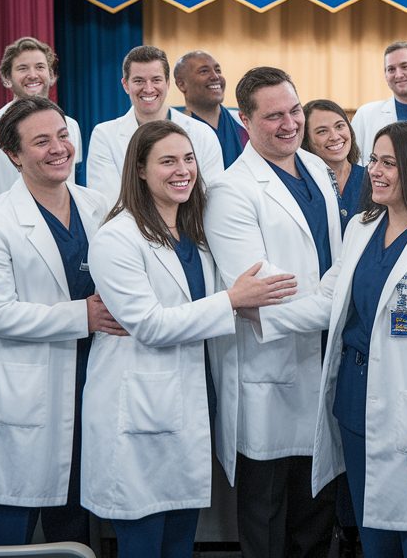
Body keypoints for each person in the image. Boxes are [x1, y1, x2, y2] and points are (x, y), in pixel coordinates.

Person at [251, 121, 407, 556]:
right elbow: (329, 301)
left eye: (389, 163)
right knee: (374, 534)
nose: (374, 170)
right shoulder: (362, 226)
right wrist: (258, 315)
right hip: (355, 404)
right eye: (374, 159)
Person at [82, 120, 296, 558]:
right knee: (142, 542)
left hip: (187, 403)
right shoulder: (116, 238)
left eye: (189, 159)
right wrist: (232, 300)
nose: (183, 170)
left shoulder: (194, 233)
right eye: (167, 161)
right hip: (137, 409)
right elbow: (150, 325)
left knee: (179, 541)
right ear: (139, 170)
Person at [0, 97, 126, 545]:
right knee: (12, 524)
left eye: (63, 136)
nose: (58, 148)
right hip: (23, 391)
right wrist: (82, 315)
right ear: (14, 155)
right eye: (41, 142)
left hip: (89, 379)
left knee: (74, 525)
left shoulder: (98, 207)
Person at [203, 66, 343, 558]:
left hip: (323, 358)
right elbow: (262, 303)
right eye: (274, 116)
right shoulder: (230, 191)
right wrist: (338, 295)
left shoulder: (317, 170)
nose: (290, 124)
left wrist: (333, 295)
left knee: (316, 511)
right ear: (245, 120)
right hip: (269, 373)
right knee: (267, 515)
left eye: (296, 110)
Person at [0, 36, 83, 225]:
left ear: (51, 75)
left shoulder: (71, 126)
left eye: (40, 67)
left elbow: (73, 187)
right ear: (7, 79)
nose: (32, 75)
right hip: (5, 239)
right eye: (22, 68)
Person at [87, 45, 224, 205]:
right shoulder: (104, 136)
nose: (149, 89)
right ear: (125, 85)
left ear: (167, 83)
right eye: (139, 81)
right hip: (128, 230)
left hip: (191, 230)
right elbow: (109, 204)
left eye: (156, 80)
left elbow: (212, 201)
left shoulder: (202, 133)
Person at [174, 50, 249, 169]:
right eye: (204, 71)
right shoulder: (175, 132)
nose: (215, 76)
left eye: (218, 70)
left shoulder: (245, 124)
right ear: (181, 84)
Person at [304, 99, 368, 234]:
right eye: (322, 131)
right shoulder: (302, 187)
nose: (334, 136)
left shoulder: (372, 179)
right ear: (306, 140)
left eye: (339, 126)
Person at [352, 41, 407, 161]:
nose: (398, 75)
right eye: (391, 69)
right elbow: (353, 161)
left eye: (405, 67)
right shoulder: (366, 114)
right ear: (385, 75)